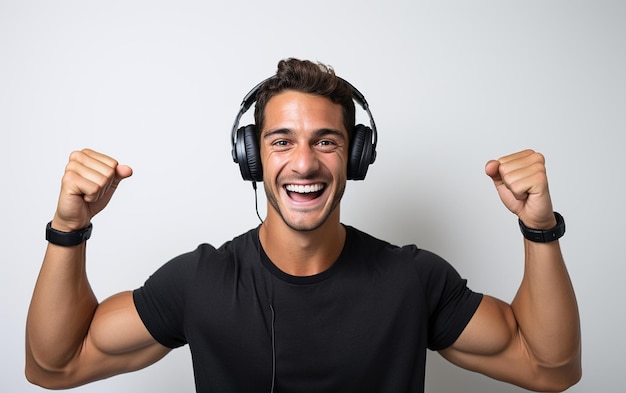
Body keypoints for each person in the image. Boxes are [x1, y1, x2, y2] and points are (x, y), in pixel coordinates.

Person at [25, 58, 581, 392]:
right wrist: (68, 228)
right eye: (281, 140)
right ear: (251, 157)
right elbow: (54, 365)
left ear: (356, 157)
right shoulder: (201, 282)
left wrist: (539, 229)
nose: (306, 162)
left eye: (327, 141)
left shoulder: (412, 280)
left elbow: (551, 368)